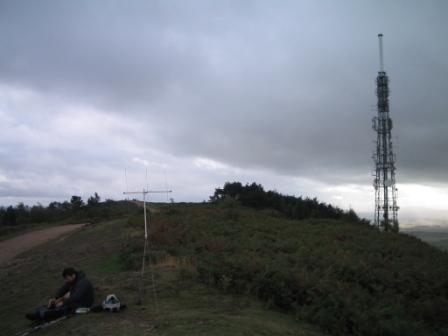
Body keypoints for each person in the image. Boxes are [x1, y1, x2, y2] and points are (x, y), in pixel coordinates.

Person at [26, 267, 95, 321]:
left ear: (73, 275)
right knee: (57, 304)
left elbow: (77, 296)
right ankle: (41, 312)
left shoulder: (82, 282)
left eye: (67, 278)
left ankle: (43, 315)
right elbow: (64, 289)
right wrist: (55, 298)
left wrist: (63, 301)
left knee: (64, 307)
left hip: (84, 303)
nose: (66, 280)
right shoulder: (73, 280)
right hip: (76, 300)